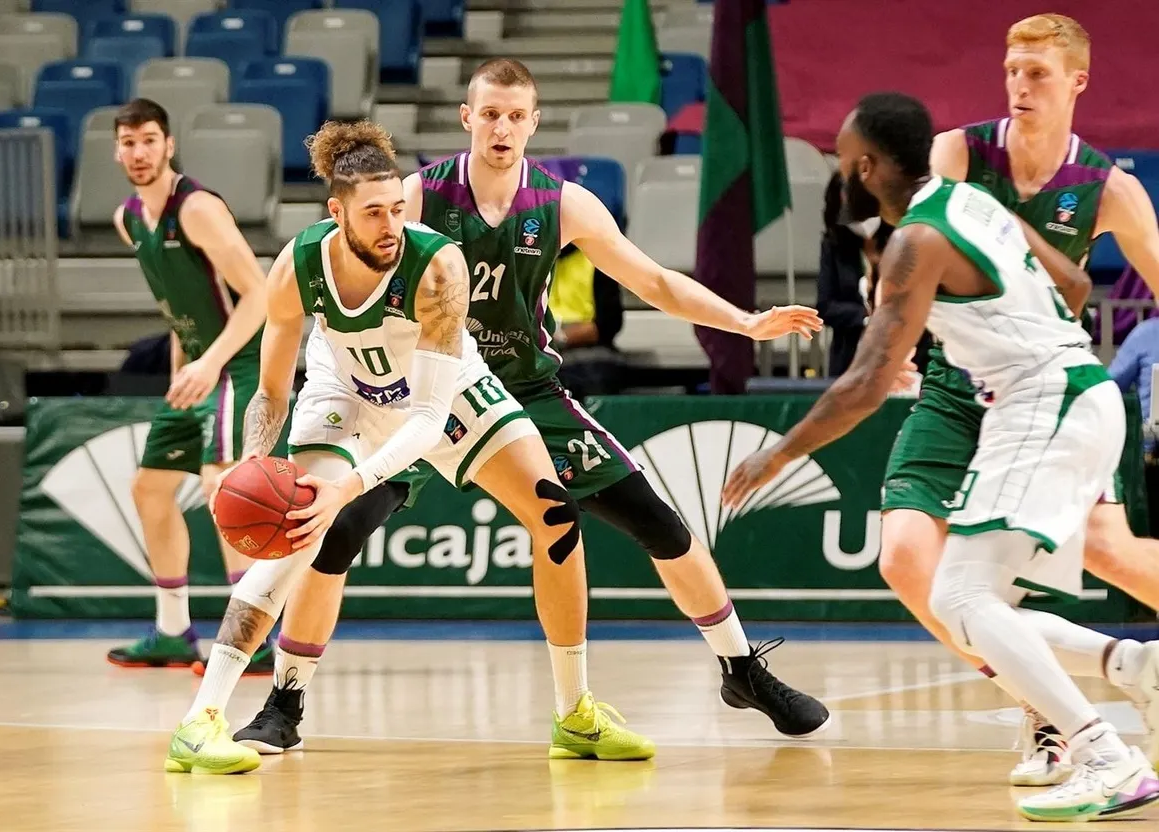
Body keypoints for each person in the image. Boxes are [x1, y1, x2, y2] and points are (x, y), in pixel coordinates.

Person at [229, 58, 830, 757]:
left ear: (534, 123)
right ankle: (285, 699)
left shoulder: (562, 203)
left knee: (657, 521)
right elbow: (343, 275)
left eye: (516, 116)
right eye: (490, 113)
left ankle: (740, 668)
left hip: (523, 390)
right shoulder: (418, 197)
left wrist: (746, 322)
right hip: (419, 386)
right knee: (336, 530)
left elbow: (655, 280)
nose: (502, 127)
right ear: (467, 118)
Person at [165, 120, 668, 775]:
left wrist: (353, 484)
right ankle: (201, 721)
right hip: (343, 389)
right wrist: (257, 460)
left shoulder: (437, 266)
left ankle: (574, 713)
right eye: (372, 213)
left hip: (441, 389)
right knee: (301, 528)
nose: (389, 225)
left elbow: (429, 417)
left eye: (397, 209)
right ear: (335, 212)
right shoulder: (298, 265)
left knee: (555, 514)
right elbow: (269, 391)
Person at [723, 91, 1159, 823]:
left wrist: (779, 454)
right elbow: (1077, 284)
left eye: (839, 158)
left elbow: (864, 383)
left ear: (866, 166)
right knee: (959, 601)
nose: (838, 173)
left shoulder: (917, 240)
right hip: (1054, 396)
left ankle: (1105, 755)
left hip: (1042, 403)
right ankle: (1132, 668)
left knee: (962, 597)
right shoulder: (969, 201)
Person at [873, 13, 1159, 782]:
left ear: (1078, 82)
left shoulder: (1108, 188)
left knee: (1110, 553)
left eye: (1037, 72)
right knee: (906, 560)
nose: (1020, 85)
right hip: (956, 387)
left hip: (1045, 392)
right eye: (1011, 70)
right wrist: (889, 344)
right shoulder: (960, 153)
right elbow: (903, 256)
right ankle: (1050, 713)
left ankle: (1104, 691)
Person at [103, 98, 276, 672]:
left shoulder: (197, 208)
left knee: (223, 488)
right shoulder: (129, 219)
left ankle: (250, 640)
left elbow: (259, 296)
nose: (139, 152)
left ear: (169, 144)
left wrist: (210, 365)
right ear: (116, 151)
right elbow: (182, 303)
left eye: (149, 139)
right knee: (149, 488)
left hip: (243, 360)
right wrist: (186, 365)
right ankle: (173, 631)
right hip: (200, 364)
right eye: (128, 142)